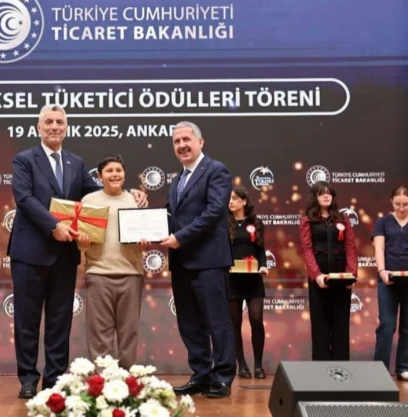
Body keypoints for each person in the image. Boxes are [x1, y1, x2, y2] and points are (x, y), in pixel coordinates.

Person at [9, 104, 147, 399]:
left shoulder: (75, 162)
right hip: (30, 253)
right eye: (49, 122)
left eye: (60, 122)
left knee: (60, 321)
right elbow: (24, 198)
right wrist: (53, 226)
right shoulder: (24, 160)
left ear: (66, 128)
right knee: (27, 320)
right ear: (38, 128)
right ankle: (28, 379)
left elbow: (99, 191)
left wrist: (131, 191)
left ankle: (56, 377)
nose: (54, 127)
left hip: (64, 254)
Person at [161, 121, 236, 399]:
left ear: (200, 142)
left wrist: (180, 237)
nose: (181, 145)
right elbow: (170, 216)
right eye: (176, 141)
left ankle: (223, 377)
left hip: (209, 262)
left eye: (186, 139)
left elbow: (215, 211)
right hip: (182, 263)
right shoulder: (177, 180)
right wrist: (147, 228)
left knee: (218, 321)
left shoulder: (216, 170)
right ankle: (201, 375)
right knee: (190, 323)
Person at [76, 155, 149, 369]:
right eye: (109, 171)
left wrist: (144, 243)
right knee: (99, 334)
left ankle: (127, 380)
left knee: (129, 333)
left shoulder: (136, 201)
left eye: (118, 170)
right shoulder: (89, 200)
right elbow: (81, 242)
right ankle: (103, 379)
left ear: (124, 175)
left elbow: (145, 235)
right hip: (98, 273)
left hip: (131, 274)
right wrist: (82, 242)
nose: (114, 174)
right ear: (100, 177)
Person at [373, 186, 408, 381]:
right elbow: (379, 248)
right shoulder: (382, 223)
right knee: (387, 325)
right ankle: (379, 369)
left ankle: (404, 367)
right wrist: (382, 271)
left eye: (405, 204)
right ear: (391, 202)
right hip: (388, 281)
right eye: (397, 204)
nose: (401, 208)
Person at [299, 181, 357, 361]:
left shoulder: (343, 219)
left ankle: (341, 366)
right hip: (319, 277)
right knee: (320, 323)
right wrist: (316, 275)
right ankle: (321, 366)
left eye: (329, 193)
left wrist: (351, 275)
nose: (326, 196)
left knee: (341, 323)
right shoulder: (307, 220)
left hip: (341, 277)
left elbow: (350, 247)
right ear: (315, 197)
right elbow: (307, 249)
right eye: (321, 193)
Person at [227, 186, 268, 379]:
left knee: (256, 320)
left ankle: (258, 366)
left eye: (235, 198)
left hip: (253, 279)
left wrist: (263, 265)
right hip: (232, 279)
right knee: (234, 323)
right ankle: (241, 365)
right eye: (229, 199)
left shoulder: (256, 223)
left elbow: (261, 249)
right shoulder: (223, 224)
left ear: (244, 201)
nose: (231, 202)